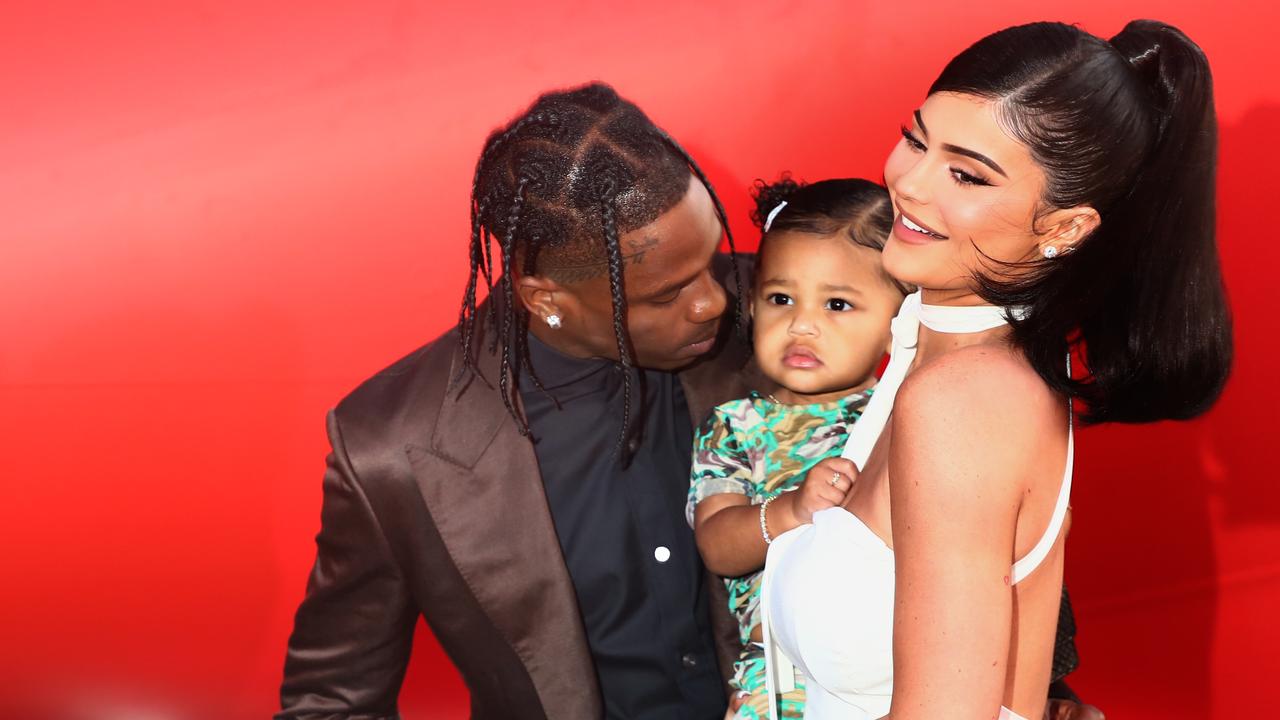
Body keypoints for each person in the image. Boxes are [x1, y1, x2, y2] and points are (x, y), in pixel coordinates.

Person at [759, 19, 1230, 720]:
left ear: (1064, 226)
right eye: (917, 139)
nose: (908, 184)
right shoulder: (926, 334)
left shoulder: (962, 401)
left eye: (966, 173)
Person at [277, 83, 768, 720]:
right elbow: (330, 701)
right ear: (546, 300)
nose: (714, 300)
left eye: (712, 257)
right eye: (666, 294)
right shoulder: (394, 447)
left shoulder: (786, 314)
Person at [687, 176, 910, 720]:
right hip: (784, 678)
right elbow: (717, 544)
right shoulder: (737, 426)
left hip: (902, 665)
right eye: (781, 298)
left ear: (897, 325)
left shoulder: (908, 415)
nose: (802, 324)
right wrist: (791, 510)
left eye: (837, 303)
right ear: (754, 308)